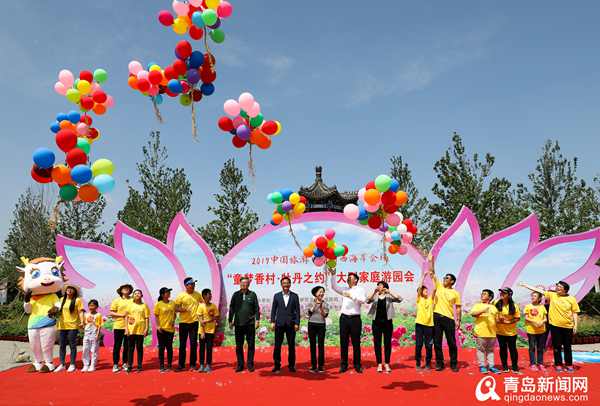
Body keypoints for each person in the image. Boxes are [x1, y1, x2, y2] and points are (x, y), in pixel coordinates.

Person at [519, 280, 580, 372]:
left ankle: (569, 364)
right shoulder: (552, 295)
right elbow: (538, 291)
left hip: (568, 326)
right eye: (557, 286)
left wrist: (575, 325)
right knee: (557, 346)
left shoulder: (572, 299)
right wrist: (525, 285)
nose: (557, 288)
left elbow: (575, 312)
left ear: (565, 289)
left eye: (559, 287)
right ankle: (558, 364)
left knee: (567, 346)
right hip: (555, 326)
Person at [329, 267, 366, 373]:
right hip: (344, 318)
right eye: (348, 277)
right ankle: (344, 365)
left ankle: (357, 365)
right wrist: (333, 274)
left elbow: (363, 300)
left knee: (356, 343)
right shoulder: (345, 289)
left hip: (355, 319)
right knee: (343, 342)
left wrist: (351, 296)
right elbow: (334, 287)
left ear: (356, 280)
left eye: (351, 277)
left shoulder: (360, 289)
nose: (348, 278)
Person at [430, 255, 462, 372]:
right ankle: (440, 363)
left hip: (449, 319)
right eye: (444, 277)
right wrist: (431, 261)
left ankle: (454, 364)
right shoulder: (439, 286)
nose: (444, 278)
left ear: (452, 281)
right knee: (437, 342)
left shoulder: (455, 293)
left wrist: (458, 320)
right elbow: (432, 272)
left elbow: (458, 308)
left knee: (451, 342)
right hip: (436, 317)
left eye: (447, 278)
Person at [367, 281, 403, 373]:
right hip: (376, 323)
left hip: (387, 323)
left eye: (380, 285)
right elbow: (367, 300)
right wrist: (374, 292)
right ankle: (379, 364)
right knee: (377, 344)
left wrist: (389, 292)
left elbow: (400, 299)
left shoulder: (389, 296)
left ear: (385, 287)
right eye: (378, 285)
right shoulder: (375, 296)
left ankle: (387, 363)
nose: (378, 287)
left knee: (387, 343)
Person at [228, 276, 260, 372]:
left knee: (251, 345)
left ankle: (250, 364)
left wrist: (257, 320)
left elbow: (256, 308)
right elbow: (231, 308)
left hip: (250, 323)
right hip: (238, 324)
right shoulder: (235, 295)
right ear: (240, 284)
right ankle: (240, 364)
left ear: (249, 284)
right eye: (242, 283)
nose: (244, 285)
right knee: (239, 345)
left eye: (246, 283)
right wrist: (230, 320)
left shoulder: (252, 294)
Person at [270, 276, 301, 373]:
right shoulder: (277, 296)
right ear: (281, 285)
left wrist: (297, 323)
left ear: (290, 284)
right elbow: (273, 310)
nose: (285, 285)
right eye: (284, 283)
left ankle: (291, 366)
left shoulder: (295, 296)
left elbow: (297, 311)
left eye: (287, 283)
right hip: (279, 324)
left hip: (291, 324)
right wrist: (272, 321)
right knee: (277, 346)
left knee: (291, 346)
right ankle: (277, 365)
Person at [174, 277, 203, 371]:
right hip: (183, 323)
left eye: (194, 284)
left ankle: (193, 365)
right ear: (186, 285)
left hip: (194, 322)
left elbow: (203, 304)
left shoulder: (198, 294)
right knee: (182, 345)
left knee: (193, 344)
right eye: (191, 284)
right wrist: (181, 309)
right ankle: (181, 365)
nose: (193, 285)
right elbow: (175, 308)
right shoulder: (181, 295)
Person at [470, 289, 501, 374]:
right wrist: (483, 310)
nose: (482, 295)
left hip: (492, 333)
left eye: (484, 294)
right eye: (482, 293)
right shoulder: (478, 305)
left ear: (490, 297)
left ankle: (491, 366)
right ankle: (482, 366)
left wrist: (499, 319)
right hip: (480, 332)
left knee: (490, 350)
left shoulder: (494, 307)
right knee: (481, 350)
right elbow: (473, 313)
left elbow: (497, 319)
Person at [54, 284, 84, 373]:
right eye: (68, 288)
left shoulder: (77, 300)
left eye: (72, 289)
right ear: (66, 290)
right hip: (62, 325)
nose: (69, 290)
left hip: (73, 326)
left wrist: (82, 321)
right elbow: (56, 310)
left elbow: (80, 312)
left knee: (72, 345)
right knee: (62, 345)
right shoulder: (61, 299)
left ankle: (72, 364)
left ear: (75, 292)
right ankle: (62, 364)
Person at [415, 255, 436, 370]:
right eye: (424, 290)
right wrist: (423, 277)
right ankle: (418, 363)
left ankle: (428, 363)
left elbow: (435, 289)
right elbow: (419, 288)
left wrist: (432, 277)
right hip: (419, 324)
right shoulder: (419, 299)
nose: (426, 291)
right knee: (419, 345)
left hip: (429, 325)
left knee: (428, 345)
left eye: (427, 290)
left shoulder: (430, 299)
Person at [495, 287, 521, 373]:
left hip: (511, 333)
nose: (501, 294)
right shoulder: (496, 303)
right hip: (500, 332)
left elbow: (517, 318)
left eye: (504, 293)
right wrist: (497, 319)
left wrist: (508, 322)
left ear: (509, 295)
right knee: (502, 349)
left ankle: (515, 366)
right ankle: (505, 366)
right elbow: (493, 314)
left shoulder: (514, 306)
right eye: (501, 292)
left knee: (512, 349)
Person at [109, 284, 133, 373]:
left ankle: (125, 363)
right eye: (124, 288)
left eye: (128, 288)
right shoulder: (116, 300)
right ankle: (115, 364)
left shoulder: (133, 300)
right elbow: (111, 313)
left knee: (127, 346)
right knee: (117, 346)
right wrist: (122, 315)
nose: (126, 289)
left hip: (130, 326)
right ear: (121, 290)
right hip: (119, 326)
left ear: (130, 290)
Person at [125, 289, 150, 373]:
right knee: (130, 348)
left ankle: (139, 365)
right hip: (131, 329)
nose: (137, 294)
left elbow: (146, 318)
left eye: (139, 293)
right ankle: (129, 366)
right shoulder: (129, 305)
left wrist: (146, 328)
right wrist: (126, 328)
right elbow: (126, 317)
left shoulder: (144, 306)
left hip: (140, 329)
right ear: (133, 295)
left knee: (139, 348)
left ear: (141, 295)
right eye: (135, 293)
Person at [306, 285, 329, 373]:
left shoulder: (325, 304)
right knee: (312, 345)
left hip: (321, 325)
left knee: (321, 345)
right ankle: (313, 365)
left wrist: (321, 308)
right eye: (320, 292)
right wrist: (315, 304)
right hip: (311, 324)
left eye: (323, 292)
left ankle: (321, 366)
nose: (322, 293)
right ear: (315, 293)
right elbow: (309, 313)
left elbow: (325, 315)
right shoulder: (310, 303)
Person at [523, 291, 548, 371]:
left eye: (535, 296)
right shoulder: (528, 306)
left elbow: (545, 318)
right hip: (531, 331)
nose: (533, 297)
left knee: (540, 348)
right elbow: (526, 317)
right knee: (532, 347)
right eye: (532, 296)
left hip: (541, 330)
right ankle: (533, 364)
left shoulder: (542, 307)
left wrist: (541, 322)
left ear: (539, 298)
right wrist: (534, 322)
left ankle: (540, 363)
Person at [197, 288, 220, 373]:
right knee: (202, 349)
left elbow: (217, 316)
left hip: (211, 331)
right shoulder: (201, 306)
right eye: (209, 294)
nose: (210, 296)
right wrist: (203, 332)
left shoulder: (213, 306)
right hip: (202, 331)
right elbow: (200, 318)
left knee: (209, 348)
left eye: (211, 294)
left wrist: (210, 320)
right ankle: (201, 365)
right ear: (204, 296)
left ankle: (208, 365)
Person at [154, 287, 176, 372]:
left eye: (169, 292)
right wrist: (158, 326)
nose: (169, 293)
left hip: (170, 329)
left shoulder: (172, 303)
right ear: (162, 295)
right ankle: (162, 365)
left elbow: (174, 313)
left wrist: (173, 320)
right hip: (161, 329)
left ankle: (169, 365)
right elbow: (156, 315)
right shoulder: (158, 304)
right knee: (161, 348)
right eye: (167, 292)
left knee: (169, 347)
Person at [82, 299, 103, 372]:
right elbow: (84, 324)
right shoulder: (86, 315)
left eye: (93, 305)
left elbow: (99, 326)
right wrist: (82, 326)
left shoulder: (98, 315)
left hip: (94, 334)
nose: (91, 307)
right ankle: (86, 365)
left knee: (94, 350)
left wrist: (97, 334)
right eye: (90, 305)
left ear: (96, 307)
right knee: (85, 349)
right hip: (86, 334)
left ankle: (92, 365)